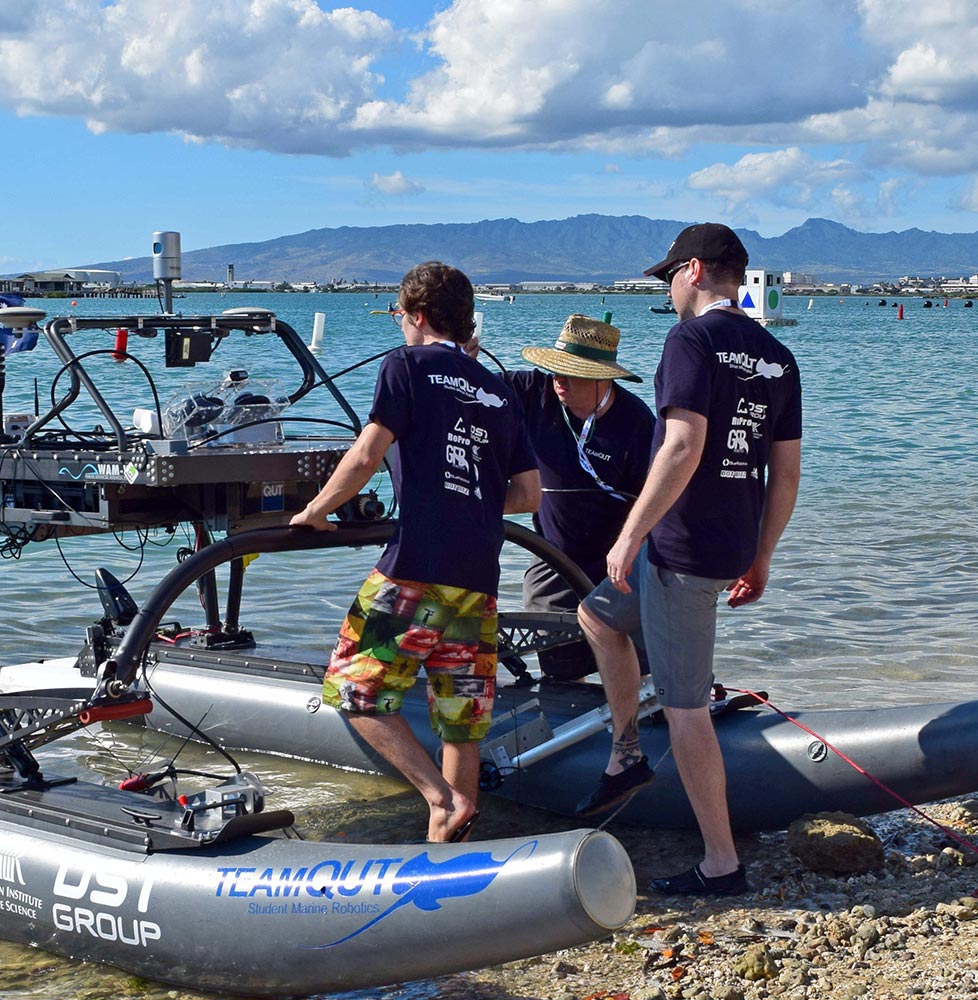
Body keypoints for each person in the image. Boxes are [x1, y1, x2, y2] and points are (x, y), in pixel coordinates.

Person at [575, 223, 802, 896]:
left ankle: (721, 863)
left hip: (680, 555)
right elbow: (785, 474)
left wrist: (629, 535)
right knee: (598, 616)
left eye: (670, 275)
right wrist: (761, 556)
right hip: (728, 545)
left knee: (687, 708)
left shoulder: (690, 340)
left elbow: (682, 445)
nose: (668, 289)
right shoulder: (777, 356)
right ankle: (626, 753)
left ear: (695, 270)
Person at [289, 261, 539, 843]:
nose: (400, 324)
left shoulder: (406, 364)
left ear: (419, 316)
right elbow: (529, 495)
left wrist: (315, 511)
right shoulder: (499, 391)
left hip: (416, 569)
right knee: (461, 717)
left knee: (353, 688)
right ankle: (450, 846)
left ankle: (441, 799)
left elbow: (365, 455)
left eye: (399, 315)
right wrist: (470, 504)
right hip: (478, 575)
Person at [505, 315, 653, 681]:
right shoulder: (533, 391)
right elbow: (474, 392)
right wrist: (461, 358)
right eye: (556, 369)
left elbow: (658, 504)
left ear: (603, 377)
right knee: (561, 674)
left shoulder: (637, 424)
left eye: (572, 373)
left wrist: (633, 550)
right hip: (554, 558)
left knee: (641, 672)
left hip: (622, 560)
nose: (559, 379)